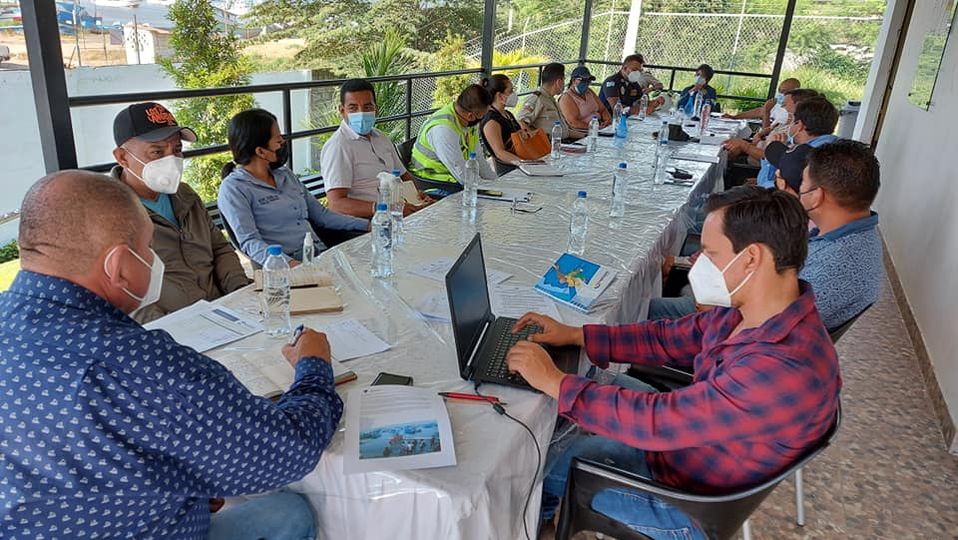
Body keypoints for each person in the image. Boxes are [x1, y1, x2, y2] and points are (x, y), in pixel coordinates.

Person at [0, 170, 344, 539]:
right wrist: (313, 366)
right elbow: (288, 452)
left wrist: (184, 483)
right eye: (149, 247)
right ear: (119, 266)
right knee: (290, 512)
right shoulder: (136, 364)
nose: (152, 259)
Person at [506, 186, 840, 538]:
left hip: (684, 505)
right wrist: (579, 336)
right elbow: (667, 338)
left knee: (538, 468)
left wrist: (555, 382)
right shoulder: (757, 311)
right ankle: (542, 519)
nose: (695, 261)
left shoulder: (779, 370)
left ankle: (537, 526)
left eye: (709, 252)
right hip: (684, 454)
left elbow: (656, 422)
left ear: (751, 258)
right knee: (572, 420)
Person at [650, 140, 882, 330]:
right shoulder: (850, 238)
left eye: (803, 183)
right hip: (735, 313)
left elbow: (760, 326)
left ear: (816, 196)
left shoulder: (835, 266)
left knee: (644, 308)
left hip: (724, 330)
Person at [110, 102, 249, 323]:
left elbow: (220, 248)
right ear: (123, 157)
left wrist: (240, 292)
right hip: (176, 327)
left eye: (177, 150)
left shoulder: (185, 195)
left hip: (225, 311)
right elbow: (130, 297)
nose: (171, 161)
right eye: (157, 152)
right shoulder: (110, 215)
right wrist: (171, 333)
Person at [219, 108, 370, 267]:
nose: (283, 144)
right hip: (285, 266)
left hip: (317, 254)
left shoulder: (285, 175)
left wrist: (367, 224)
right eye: (278, 141)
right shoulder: (234, 189)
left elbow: (323, 216)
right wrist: (292, 265)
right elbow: (250, 242)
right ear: (261, 151)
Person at [321, 78, 432, 218]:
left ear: (376, 109)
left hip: (401, 212)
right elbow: (337, 204)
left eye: (367, 107)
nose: (361, 113)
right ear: (342, 111)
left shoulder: (380, 137)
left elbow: (404, 176)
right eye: (353, 108)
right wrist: (385, 208)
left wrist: (417, 196)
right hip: (369, 221)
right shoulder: (338, 146)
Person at [409, 84, 498, 187]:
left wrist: (496, 183)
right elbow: (461, 173)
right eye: (482, 116)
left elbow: (479, 159)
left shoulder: (469, 124)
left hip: (453, 179)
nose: (482, 119)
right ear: (470, 116)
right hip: (432, 183)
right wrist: (489, 187)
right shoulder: (443, 130)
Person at [756, 96, 838, 187]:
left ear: (799, 125)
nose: (789, 125)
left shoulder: (808, 154)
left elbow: (771, 187)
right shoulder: (832, 146)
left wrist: (772, 150)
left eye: (792, 121)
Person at [722, 88, 819, 165]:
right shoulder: (787, 123)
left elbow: (775, 158)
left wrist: (745, 146)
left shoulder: (798, 132)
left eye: (785, 104)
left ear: (798, 105)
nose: (782, 106)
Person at [480, 74, 531, 175]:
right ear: (500, 95)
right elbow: (500, 153)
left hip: (521, 162)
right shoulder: (491, 120)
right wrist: (524, 164)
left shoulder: (507, 114)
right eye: (511, 91)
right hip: (510, 169)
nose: (514, 94)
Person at [517, 62, 578, 140]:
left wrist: (585, 135)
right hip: (548, 144)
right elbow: (521, 122)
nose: (564, 84)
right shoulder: (537, 99)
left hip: (562, 141)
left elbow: (566, 132)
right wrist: (537, 141)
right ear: (559, 82)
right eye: (564, 80)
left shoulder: (551, 100)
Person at [558, 66, 612, 138]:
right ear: (574, 81)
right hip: (584, 132)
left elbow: (602, 109)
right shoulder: (566, 98)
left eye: (588, 81)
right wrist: (594, 127)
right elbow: (573, 123)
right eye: (583, 80)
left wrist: (607, 120)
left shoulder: (589, 92)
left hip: (598, 126)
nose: (586, 83)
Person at [725, 78, 800, 128]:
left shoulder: (792, 113)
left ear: (795, 92)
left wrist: (767, 112)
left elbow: (767, 133)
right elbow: (759, 111)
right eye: (779, 91)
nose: (780, 94)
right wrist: (735, 117)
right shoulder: (778, 105)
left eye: (784, 91)